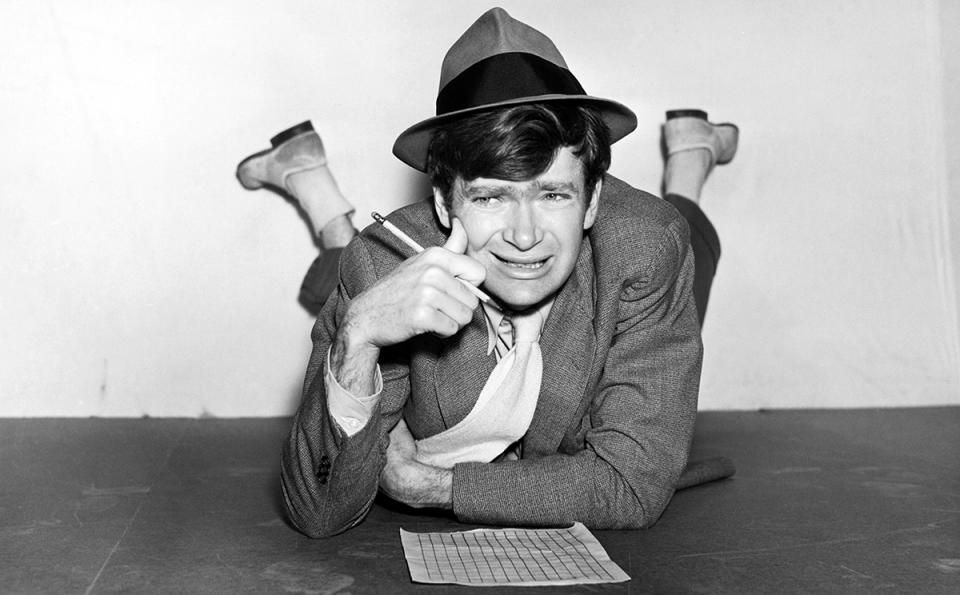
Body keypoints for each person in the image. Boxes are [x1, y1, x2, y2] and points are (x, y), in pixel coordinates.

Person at [238, 8, 738, 538]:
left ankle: (691, 159)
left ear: (591, 200)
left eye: (552, 194)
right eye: (490, 196)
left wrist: (431, 485)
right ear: (443, 203)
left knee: (687, 243)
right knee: (352, 274)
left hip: (634, 252)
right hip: (397, 253)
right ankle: (323, 205)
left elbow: (629, 486)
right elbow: (320, 512)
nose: (524, 236)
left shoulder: (642, 248)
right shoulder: (382, 259)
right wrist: (357, 335)